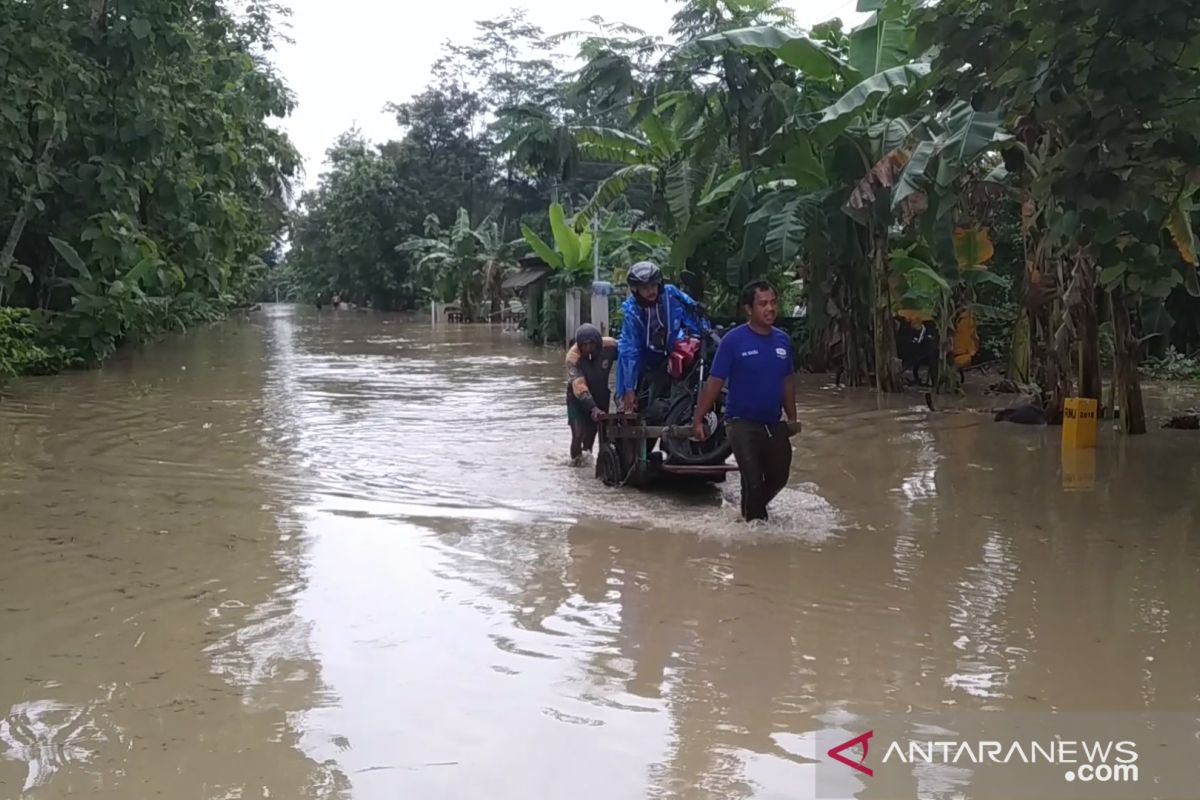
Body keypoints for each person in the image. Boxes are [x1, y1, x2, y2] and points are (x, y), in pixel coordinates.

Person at [692, 280, 799, 522]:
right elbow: (715, 382)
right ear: (749, 309)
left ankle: (747, 511)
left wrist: (792, 416)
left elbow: (788, 381)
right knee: (753, 480)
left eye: (773, 303)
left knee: (779, 477)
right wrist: (699, 418)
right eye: (763, 304)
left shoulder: (783, 341)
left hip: (773, 422)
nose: (770, 308)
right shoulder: (733, 341)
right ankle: (757, 539)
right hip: (741, 424)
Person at [615, 261, 709, 419]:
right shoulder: (632, 311)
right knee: (632, 397)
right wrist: (629, 388)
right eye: (644, 288)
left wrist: (703, 331)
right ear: (636, 290)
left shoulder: (671, 295)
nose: (650, 291)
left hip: (672, 352)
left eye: (653, 285)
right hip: (645, 359)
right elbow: (630, 350)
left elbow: (692, 312)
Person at [565, 323, 618, 464]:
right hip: (577, 398)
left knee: (591, 437)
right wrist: (593, 408)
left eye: (591, 344)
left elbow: (629, 355)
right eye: (584, 345)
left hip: (600, 394)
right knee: (578, 435)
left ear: (598, 342)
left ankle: (588, 469)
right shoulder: (573, 357)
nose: (588, 348)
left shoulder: (611, 346)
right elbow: (579, 386)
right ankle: (575, 465)